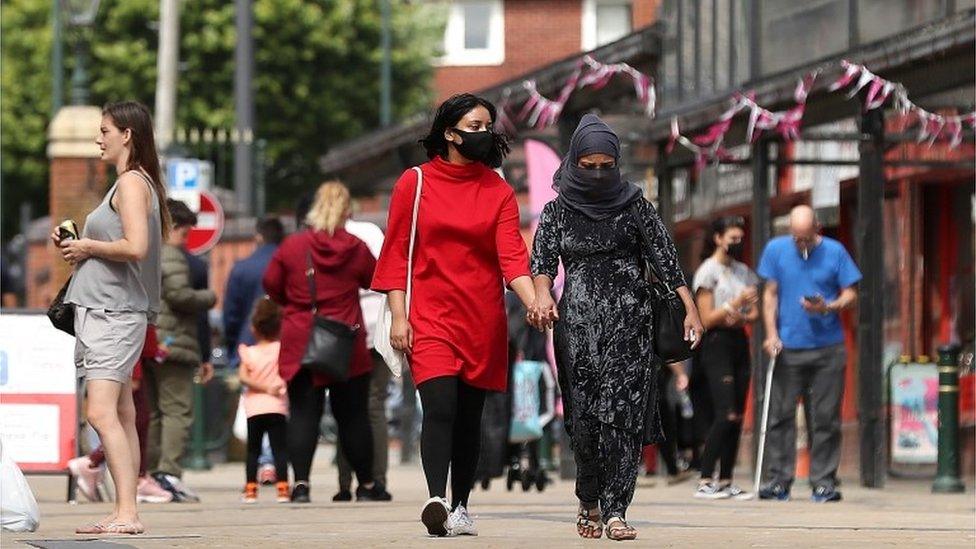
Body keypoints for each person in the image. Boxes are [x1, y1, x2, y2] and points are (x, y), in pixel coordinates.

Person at [529, 114, 703, 541]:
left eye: (606, 165)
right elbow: (542, 264)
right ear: (573, 162)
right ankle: (588, 497)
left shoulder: (635, 206)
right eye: (588, 165)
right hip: (579, 326)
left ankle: (616, 511)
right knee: (585, 420)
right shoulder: (556, 212)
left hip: (632, 323)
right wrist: (541, 296)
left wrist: (691, 309)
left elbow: (665, 259)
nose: (597, 174)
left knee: (622, 418)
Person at [372, 93, 535, 537]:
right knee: (440, 404)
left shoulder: (498, 191)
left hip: (481, 317)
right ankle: (436, 500)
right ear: (449, 132)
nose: (484, 135)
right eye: (475, 126)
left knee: (469, 416)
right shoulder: (415, 182)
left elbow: (512, 258)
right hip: (429, 317)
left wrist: (534, 298)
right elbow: (396, 254)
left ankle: (461, 504)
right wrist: (399, 316)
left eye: (488, 127)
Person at [54, 100, 168, 535]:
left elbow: (135, 246)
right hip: (109, 310)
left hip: (115, 314)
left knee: (100, 413)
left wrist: (88, 248)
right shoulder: (129, 184)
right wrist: (81, 246)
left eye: (104, 131)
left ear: (127, 135)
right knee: (119, 413)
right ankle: (125, 510)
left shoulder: (132, 185)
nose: (97, 139)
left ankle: (128, 512)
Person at [263, 181, 387, 504]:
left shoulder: (293, 246)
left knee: (304, 413)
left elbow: (272, 286)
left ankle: (301, 485)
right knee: (354, 416)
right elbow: (375, 279)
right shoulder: (355, 246)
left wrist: (296, 303)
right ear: (347, 210)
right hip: (345, 340)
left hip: (301, 338)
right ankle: (366, 485)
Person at [757, 205, 861, 503]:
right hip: (788, 347)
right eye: (796, 238)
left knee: (825, 418)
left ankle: (823, 482)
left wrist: (828, 306)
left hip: (828, 347)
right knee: (781, 415)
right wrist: (771, 334)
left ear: (817, 228)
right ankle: (779, 480)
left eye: (805, 238)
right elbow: (770, 294)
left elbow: (851, 294)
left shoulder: (835, 251)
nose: (801, 244)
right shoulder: (776, 250)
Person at [145, 199, 217, 502]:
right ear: (173, 227)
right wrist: (210, 297)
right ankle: (169, 473)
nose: (186, 242)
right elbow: (179, 295)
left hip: (150, 341)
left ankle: (147, 474)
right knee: (178, 411)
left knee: (153, 413)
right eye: (185, 234)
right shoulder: (171, 255)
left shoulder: (145, 251)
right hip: (174, 342)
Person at [691, 216, 760, 500]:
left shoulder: (744, 272)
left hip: (738, 341)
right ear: (718, 238)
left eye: (740, 239)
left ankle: (727, 479)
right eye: (732, 238)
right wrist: (734, 305)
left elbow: (753, 314)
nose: (737, 244)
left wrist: (741, 313)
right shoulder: (708, 272)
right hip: (716, 344)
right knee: (725, 412)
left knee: (738, 415)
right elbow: (706, 317)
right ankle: (706, 476)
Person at [68, 325, 174, 505]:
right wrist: (154, 352)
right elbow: (141, 325)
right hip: (127, 349)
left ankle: (128, 484)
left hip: (122, 347)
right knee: (127, 418)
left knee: (133, 417)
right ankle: (95, 464)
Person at [333, 214, 393, 502]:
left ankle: (345, 483)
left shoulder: (326, 236)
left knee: (346, 407)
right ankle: (376, 481)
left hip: (342, 330)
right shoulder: (370, 231)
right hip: (376, 326)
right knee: (374, 406)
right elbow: (386, 275)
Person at [223, 216, 286, 484]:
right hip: (282, 343)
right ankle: (273, 460)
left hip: (249, 342)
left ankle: (260, 459)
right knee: (280, 402)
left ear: (258, 236)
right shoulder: (287, 264)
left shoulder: (242, 267)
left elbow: (231, 313)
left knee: (255, 403)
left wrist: (232, 345)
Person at [238, 297, 290, 504]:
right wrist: (273, 387)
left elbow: (243, 377)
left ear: (254, 328)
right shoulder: (281, 350)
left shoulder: (249, 353)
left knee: (253, 450)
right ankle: (283, 489)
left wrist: (260, 387)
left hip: (254, 408)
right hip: (277, 406)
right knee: (280, 449)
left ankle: (251, 489)